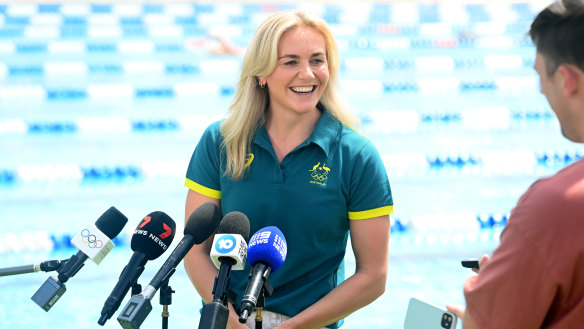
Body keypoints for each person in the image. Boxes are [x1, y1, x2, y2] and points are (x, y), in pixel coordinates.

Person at [183, 10, 393, 329]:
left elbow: (373, 276)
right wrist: (228, 319)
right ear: (261, 74)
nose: (307, 74)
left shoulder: (356, 156)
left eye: (317, 61)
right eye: (291, 62)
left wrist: (293, 327)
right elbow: (195, 251)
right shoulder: (221, 142)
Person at [447, 1, 584, 328]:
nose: (539, 88)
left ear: (567, 80)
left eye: (541, 75)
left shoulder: (556, 206)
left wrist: (483, 300)